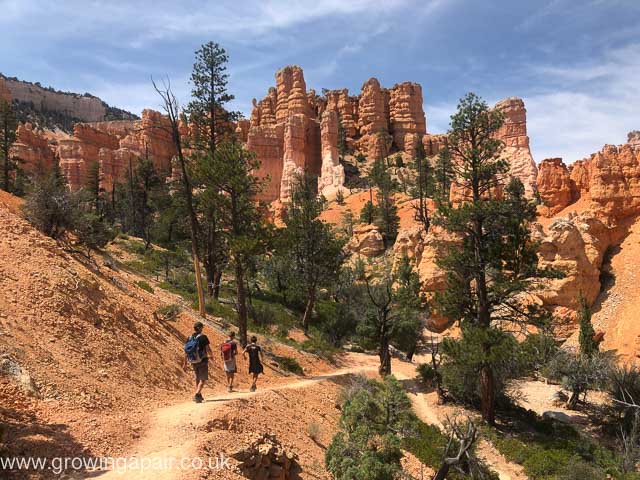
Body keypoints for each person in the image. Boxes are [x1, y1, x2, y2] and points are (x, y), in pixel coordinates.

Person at [183, 321, 213, 403]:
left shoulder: (190, 337)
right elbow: (208, 348)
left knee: (197, 378)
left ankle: (199, 395)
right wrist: (212, 356)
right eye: (202, 327)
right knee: (203, 379)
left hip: (193, 360)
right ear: (200, 328)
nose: (202, 328)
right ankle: (196, 394)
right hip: (202, 360)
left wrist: (185, 363)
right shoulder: (203, 337)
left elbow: (186, 351)